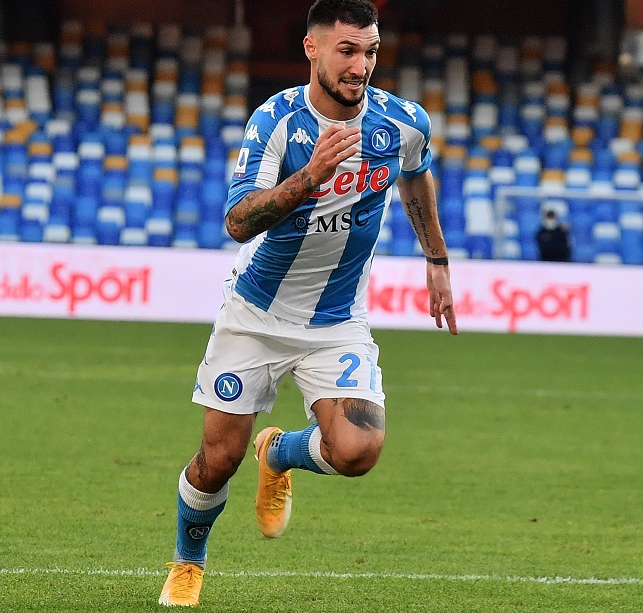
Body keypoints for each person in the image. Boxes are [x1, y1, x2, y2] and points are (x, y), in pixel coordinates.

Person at [158, 0, 457, 606]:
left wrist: (437, 261)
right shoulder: (276, 122)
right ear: (312, 49)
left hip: (338, 321)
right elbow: (238, 222)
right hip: (256, 316)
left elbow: (417, 173)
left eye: (370, 51)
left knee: (359, 450)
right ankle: (189, 561)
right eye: (347, 51)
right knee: (218, 462)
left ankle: (283, 451)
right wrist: (309, 178)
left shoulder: (401, 123)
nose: (360, 66)